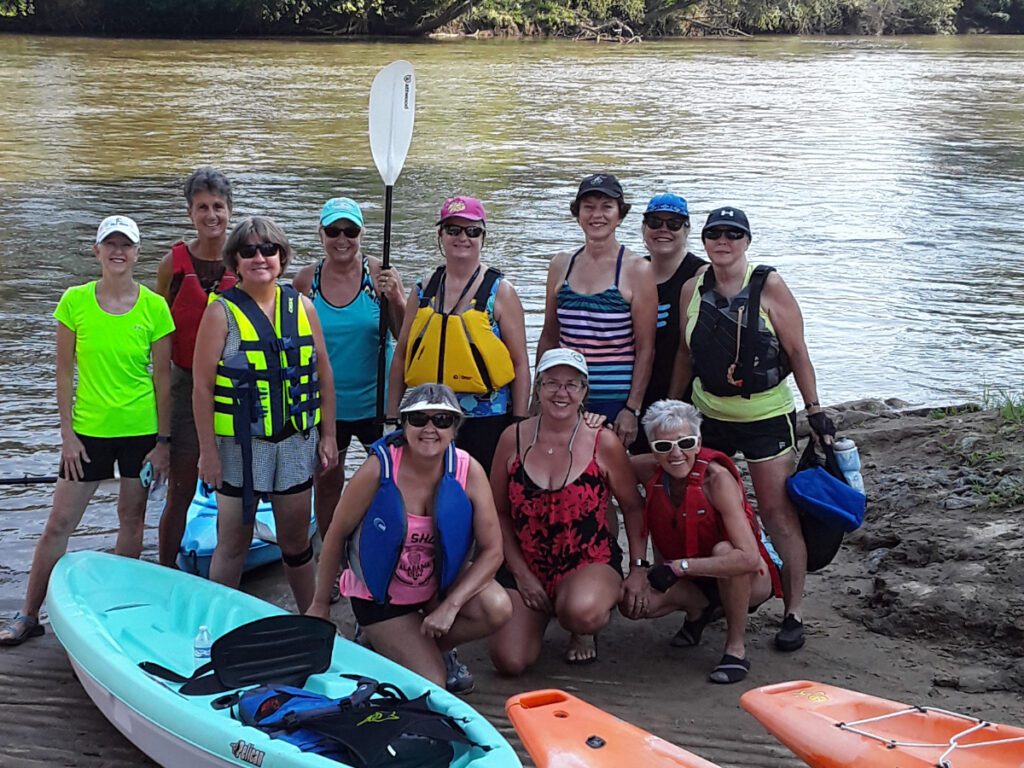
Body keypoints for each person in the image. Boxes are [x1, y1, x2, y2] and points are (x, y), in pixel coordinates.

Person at [0, 216, 174, 646]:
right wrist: (67, 435)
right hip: (87, 433)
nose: (118, 251)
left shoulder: (155, 307)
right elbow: (63, 372)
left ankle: (118, 609)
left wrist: (163, 443)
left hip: (140, 433)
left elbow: (163, 380)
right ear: (96, 251)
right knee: (59, 522)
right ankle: (28, 614)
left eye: (126, 245)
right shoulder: (74, 301)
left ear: (137, 253)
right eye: (110, 244)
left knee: (131, 520)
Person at [670, 206, 835, 652]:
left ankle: (793, 611)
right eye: (714, 234)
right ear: (704, 241)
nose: (723, 242)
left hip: (765, 415)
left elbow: (797, 352)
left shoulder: (768, 286)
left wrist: (815, 409)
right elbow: (685, 353)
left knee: (777, 512)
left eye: (733, 234)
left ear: (746, 241)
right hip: (709, 413)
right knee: (703, 508)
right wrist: (673, 404)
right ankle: (708, 600)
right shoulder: (692, 288)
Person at [309, 384, 512, 693]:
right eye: (419, 419)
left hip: (437, 586)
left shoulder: (468, 470)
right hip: (383, 598)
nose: (430, 428)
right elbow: (337, 533)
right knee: (432, 683)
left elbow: (493, 551)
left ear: (455, 429)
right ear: (403, 425)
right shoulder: (379, 468)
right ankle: (386, 642)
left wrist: (451, 606)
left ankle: (427, 648)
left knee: (497, 607)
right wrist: (320, 604)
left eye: (442, 420)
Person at [192, 216, 337, 614]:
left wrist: (328, 435)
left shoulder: (303, 307)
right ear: (235, 261)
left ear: (281, 257)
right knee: (232, 543)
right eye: (249, 251)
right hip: (239, 446)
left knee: (296, 543)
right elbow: (202, 388)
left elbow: (323, 372)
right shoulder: (220, 313)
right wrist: (208, 453)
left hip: (294, 441)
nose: (260, 258)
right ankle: (215, 623)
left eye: (269, 249)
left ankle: (314, 619)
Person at [487, 348, 649, 672]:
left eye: (571, 385)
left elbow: (633, 508)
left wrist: (638, 568)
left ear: (584, 392)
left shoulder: (603, 441)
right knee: (510, 661)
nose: (561, 393)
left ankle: (581, 627)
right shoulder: (512, 438)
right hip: (527, 559)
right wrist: (521, 574)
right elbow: (498, 513)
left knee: (581, 612)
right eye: (551, 383)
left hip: (587, 559)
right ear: (538, 389)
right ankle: (543, 609)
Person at [629, 400, 782, 683]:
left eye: (685, 443)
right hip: (690, 575)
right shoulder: (645, 469)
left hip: (746, 576)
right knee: (633, 603)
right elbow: (598, 467)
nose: (676, 453)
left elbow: (748, 558)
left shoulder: (717, 480)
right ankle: (698, 610)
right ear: (652, 450)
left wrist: (680, 567)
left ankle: (735, 648)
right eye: (664, 446)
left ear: (698, 443)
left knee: (727, 550)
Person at [387, 196, 530, 474]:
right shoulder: (423, 290)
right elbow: (402, 355)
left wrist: (518, 423)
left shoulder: (501, 292)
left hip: (486, 418)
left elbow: (520, 363)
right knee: (431, 490)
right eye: (453, 230)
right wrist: (392, 417)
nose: (463, 238)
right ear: (440, 236)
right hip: (430, 418)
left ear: (483, 237)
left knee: (480, 492)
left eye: (472, 231)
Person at [293, 197, 405, 544]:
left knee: (388, 480)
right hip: (326, 406)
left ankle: (381, 543)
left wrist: (397, 298)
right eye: (333, 231)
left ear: (361, 234)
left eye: (350, 231)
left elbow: (404, 337)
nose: (342, 239)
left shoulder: (381, 275)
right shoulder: (305, 281)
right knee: (328, 480)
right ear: (321, 234)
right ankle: (330, 547)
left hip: (376, 403)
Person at [154, 167, 237, 568]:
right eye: (202, 207)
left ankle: (224, 567)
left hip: (233, 387)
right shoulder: (172, 265)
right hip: (185, 386)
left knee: (232, 491)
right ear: (190, 213)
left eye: (218, 206)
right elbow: (158, 333)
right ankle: (165, 567)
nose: (211, 215)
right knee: (181, 488)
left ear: (229, 210)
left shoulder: (246, 259)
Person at [536, 173, 656, 449]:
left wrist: (632, 408)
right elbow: (549, 336)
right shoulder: (561, 264)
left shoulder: (637, 269)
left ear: (619, 215)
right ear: (578, 214)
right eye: (588, 207)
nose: (597, 215)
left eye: (606, 207)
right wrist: (538, 395)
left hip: (613, 398)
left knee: (605, 469)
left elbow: (645, 348)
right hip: (563, 395)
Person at [632, 193, 707, 455]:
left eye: (673, 223)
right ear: (644, 228)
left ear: (687, 229)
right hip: (636, 390)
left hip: (683, 393)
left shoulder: (701, 275)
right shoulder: (632, 271)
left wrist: (672, 404)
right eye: (655, 222)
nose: (663, 229)